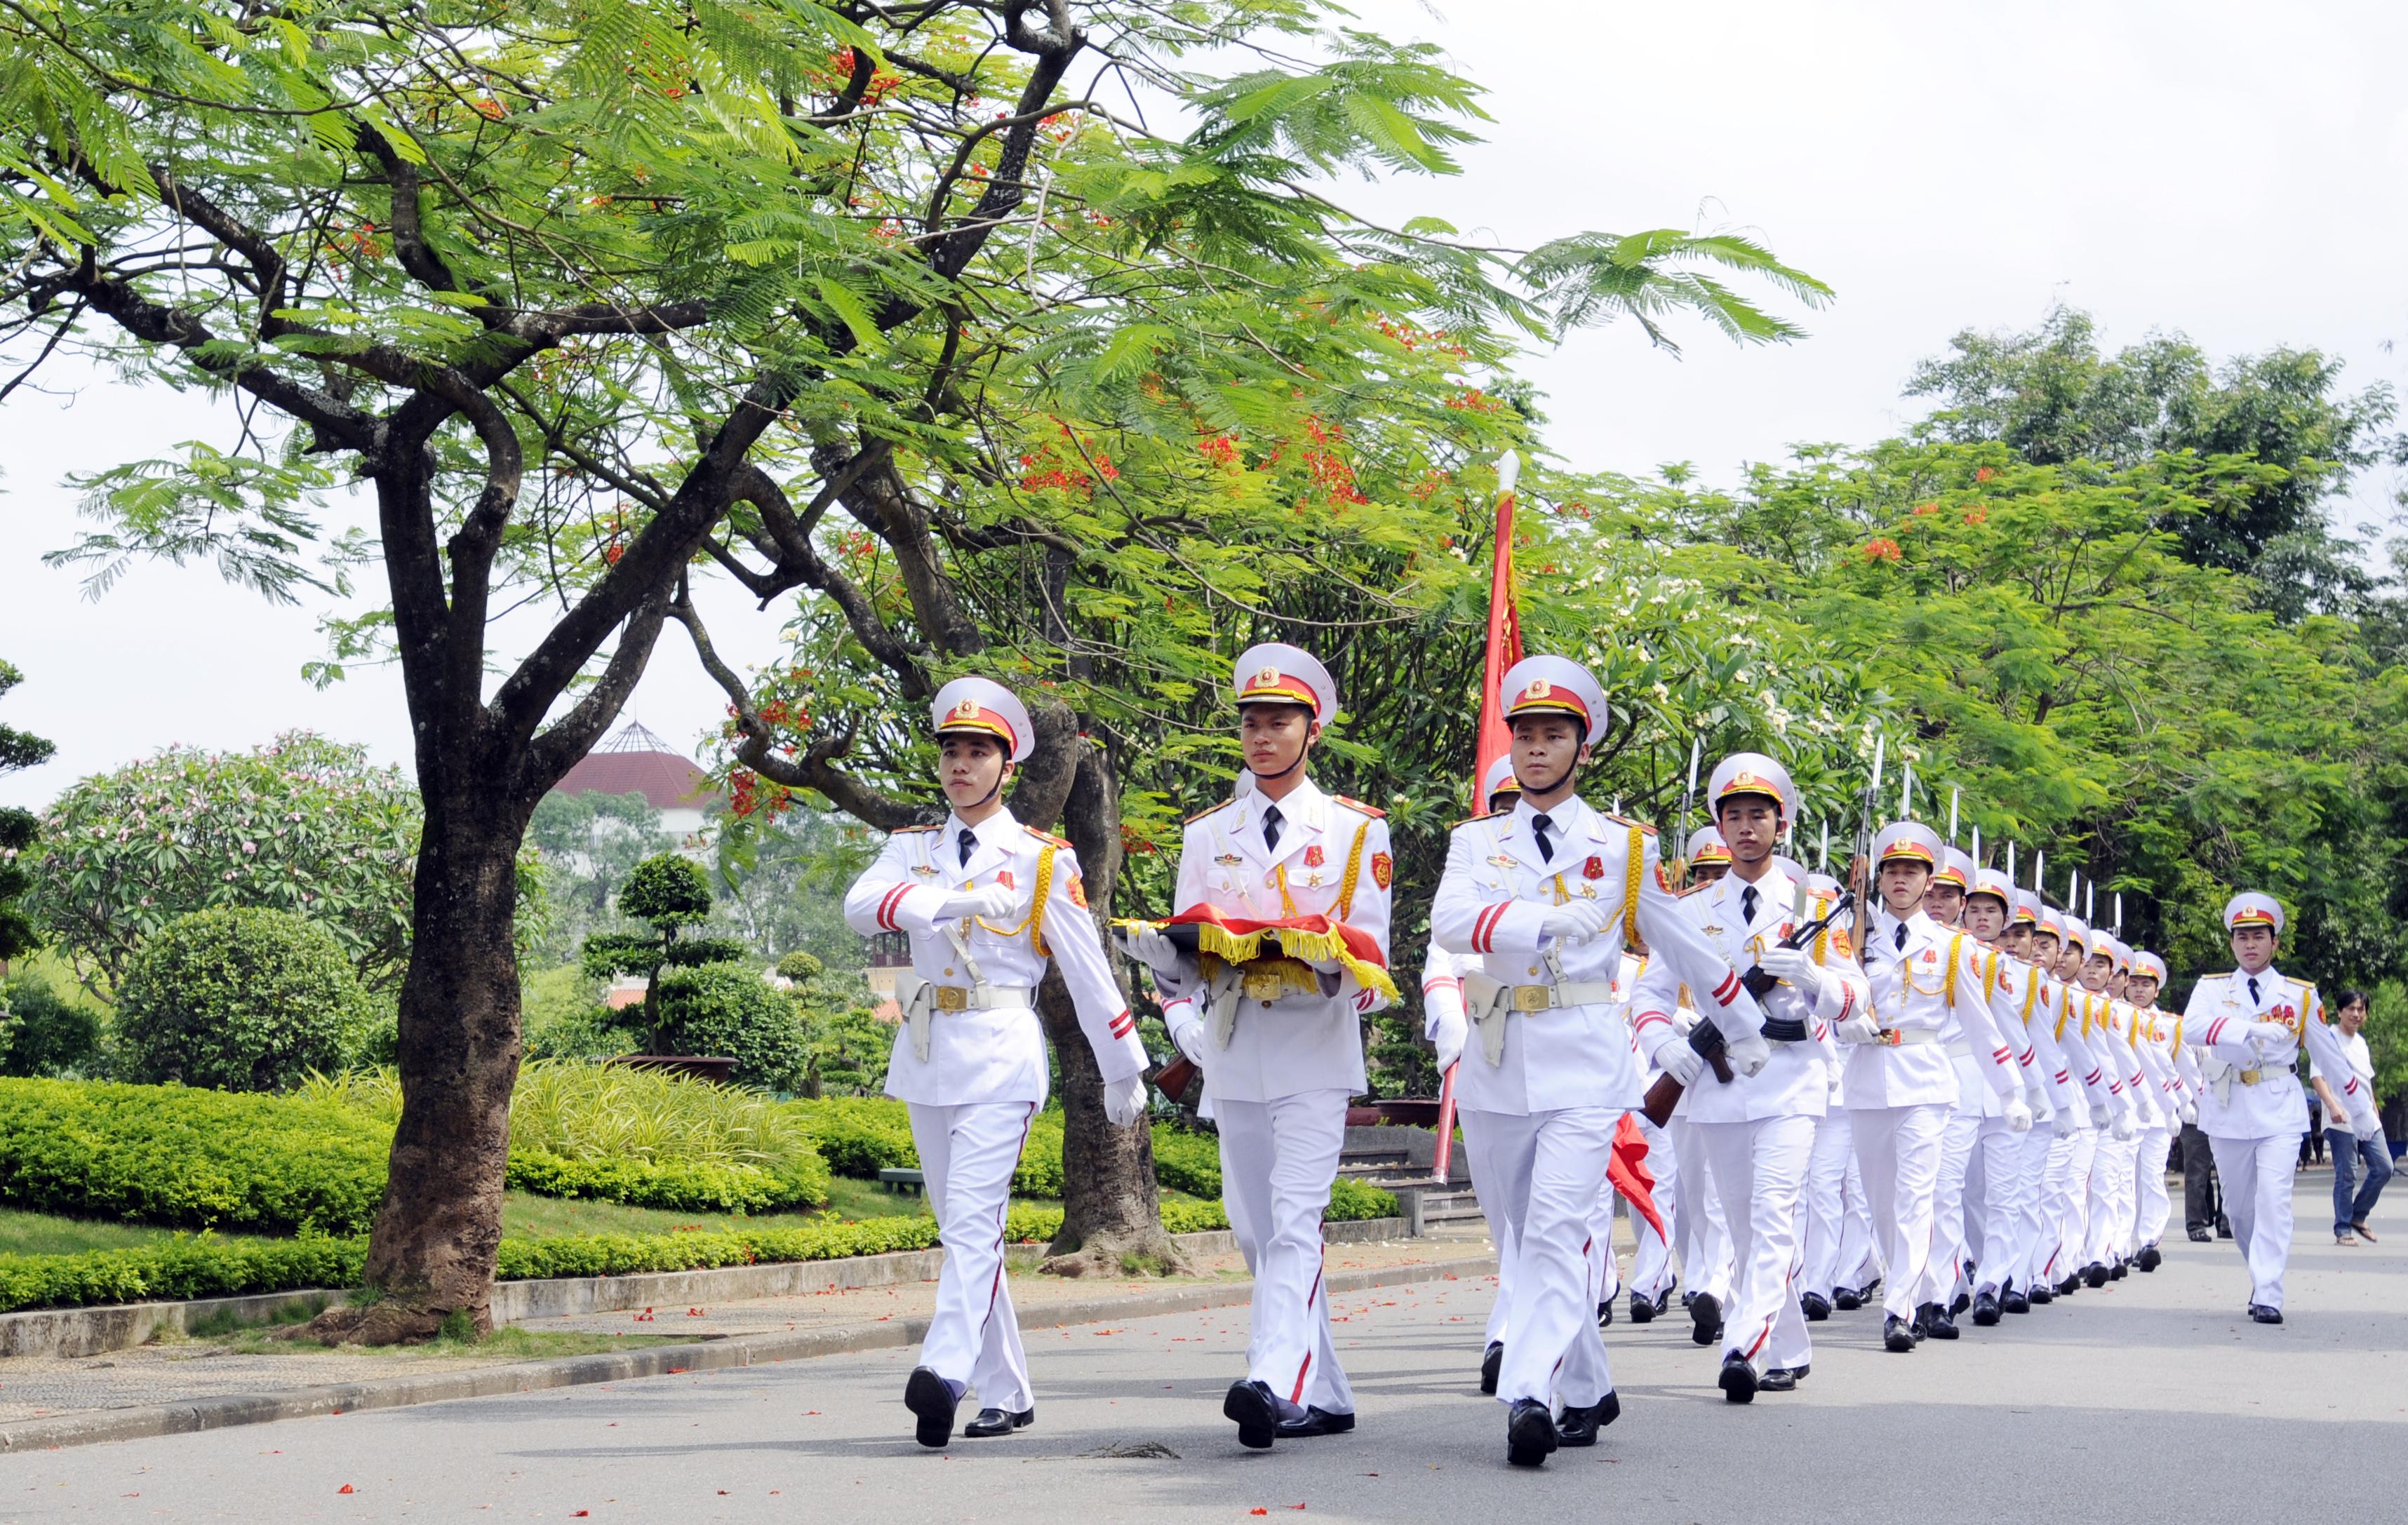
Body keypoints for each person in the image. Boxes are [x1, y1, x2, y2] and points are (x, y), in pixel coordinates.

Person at [1432, 655, 1773, 1465]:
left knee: (1557, 1228)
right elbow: (1448, 921)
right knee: (1523, 1236)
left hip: (1583, 1062)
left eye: (1554, 735)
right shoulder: (1476, 840)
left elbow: (1682, 943)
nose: (1536, 747)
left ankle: (1529, 1392)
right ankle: (1587, 1384)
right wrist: (1541, 922)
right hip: (1495, 1055)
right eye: (1524, 734)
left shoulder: (1621, 847)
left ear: (1582, 749)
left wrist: (1743, 1023)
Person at [843, 678, 1152, 1449]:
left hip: (1003, 1050)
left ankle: (944, 1369)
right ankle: (1008, 1390)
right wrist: (947, 903)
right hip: (928, 1050)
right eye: (951, 750)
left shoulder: (1041, 859)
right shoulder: (912, 849)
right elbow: (858, 906)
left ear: (1007, 767)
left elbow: (1086, 967)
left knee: (975, 1220)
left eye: (978, 751)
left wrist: (1123, 1065)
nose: (961, 764)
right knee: (963, 1231)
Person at [1134, 643, 1394, 1445]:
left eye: (1279, 721)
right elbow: (1189, 953)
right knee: (1253, 1227)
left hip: (1313, 1043)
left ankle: (1273, 1378)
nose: (1262, 735)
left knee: (1294, 1219)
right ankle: (1329, 1391)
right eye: (1251, 721)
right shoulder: (1209, 831)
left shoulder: (1355, 829)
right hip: (1235, 1044)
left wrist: (1317, 960)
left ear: (1312, 730)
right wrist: (1164, 959)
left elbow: (1373, 961)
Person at [1631, 752, 1867, 1402]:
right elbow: (1649, 994)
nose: (1745, 826)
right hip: (1719, 1085)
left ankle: (1745, 1344)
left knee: (1772, 1215)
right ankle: (1789, 1346)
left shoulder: (1815, 904)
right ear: (1719, 826)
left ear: (1780, 824)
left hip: (1792, 1081)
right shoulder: (1690, 909)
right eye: (1733, 816)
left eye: (1758, 815)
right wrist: (1663, 1044)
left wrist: (1815, 981)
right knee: (1740, 1224)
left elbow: (1856, 997)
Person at [1836, 820, 2028, 1352]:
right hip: (1867, 1078)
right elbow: (1830, 1007)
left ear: (1929, 881)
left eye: (1912, 871)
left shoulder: (1950, 946)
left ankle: (1899, 1309)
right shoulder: (1856, 940)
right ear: (1878, 879)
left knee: (1917, 1199)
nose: (1901, 880)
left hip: (1924, 1081)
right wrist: (1845, 1022)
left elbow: (1981, 1025)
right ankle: (1919, 1286)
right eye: (1892, 871)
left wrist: (2010, 1090)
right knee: (1881, 1203)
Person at [2179, 893, 2381, 1323]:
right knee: (2238, 1210)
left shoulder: (2300, 995)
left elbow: (2330, 1057)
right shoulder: (2213, 988)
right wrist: (2248, 1029)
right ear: (2232, 943)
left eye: (2259, 936)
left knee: (2274, 1201)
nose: (2250, 944)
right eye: (2242, 937)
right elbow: (2191, 1029)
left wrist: (2361, 1112)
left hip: (2279, 1107)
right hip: (2228, 1106)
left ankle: (2269, 1291)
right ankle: (2260, 1272)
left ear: (2274, 943)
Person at [1423, 757, 1520, 1393]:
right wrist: (1454, 1034)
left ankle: (1509, 1335)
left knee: (1545, 1217)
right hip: (1485, 1055)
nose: (1513, 817)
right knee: (1504, 1212)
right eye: (1503, 807)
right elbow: (1440, 963)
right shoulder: (1469, 873)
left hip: (1558, 1059)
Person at [2313, 989, 2392, 1244]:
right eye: (2351, 1009)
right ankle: (2343, 1229)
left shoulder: (2361, 1043)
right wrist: (2333, 1105)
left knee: (2384, 1167)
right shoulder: (2328, 1039)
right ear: (2339, 1012)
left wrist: (2374, 1107)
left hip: (2366, 1117)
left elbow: (2366, 1080)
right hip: (2341, 1119)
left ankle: (2358, 1215)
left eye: (2361, 1009)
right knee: (2347, 1174)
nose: (2356, 1014)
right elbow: (2318, 1077)